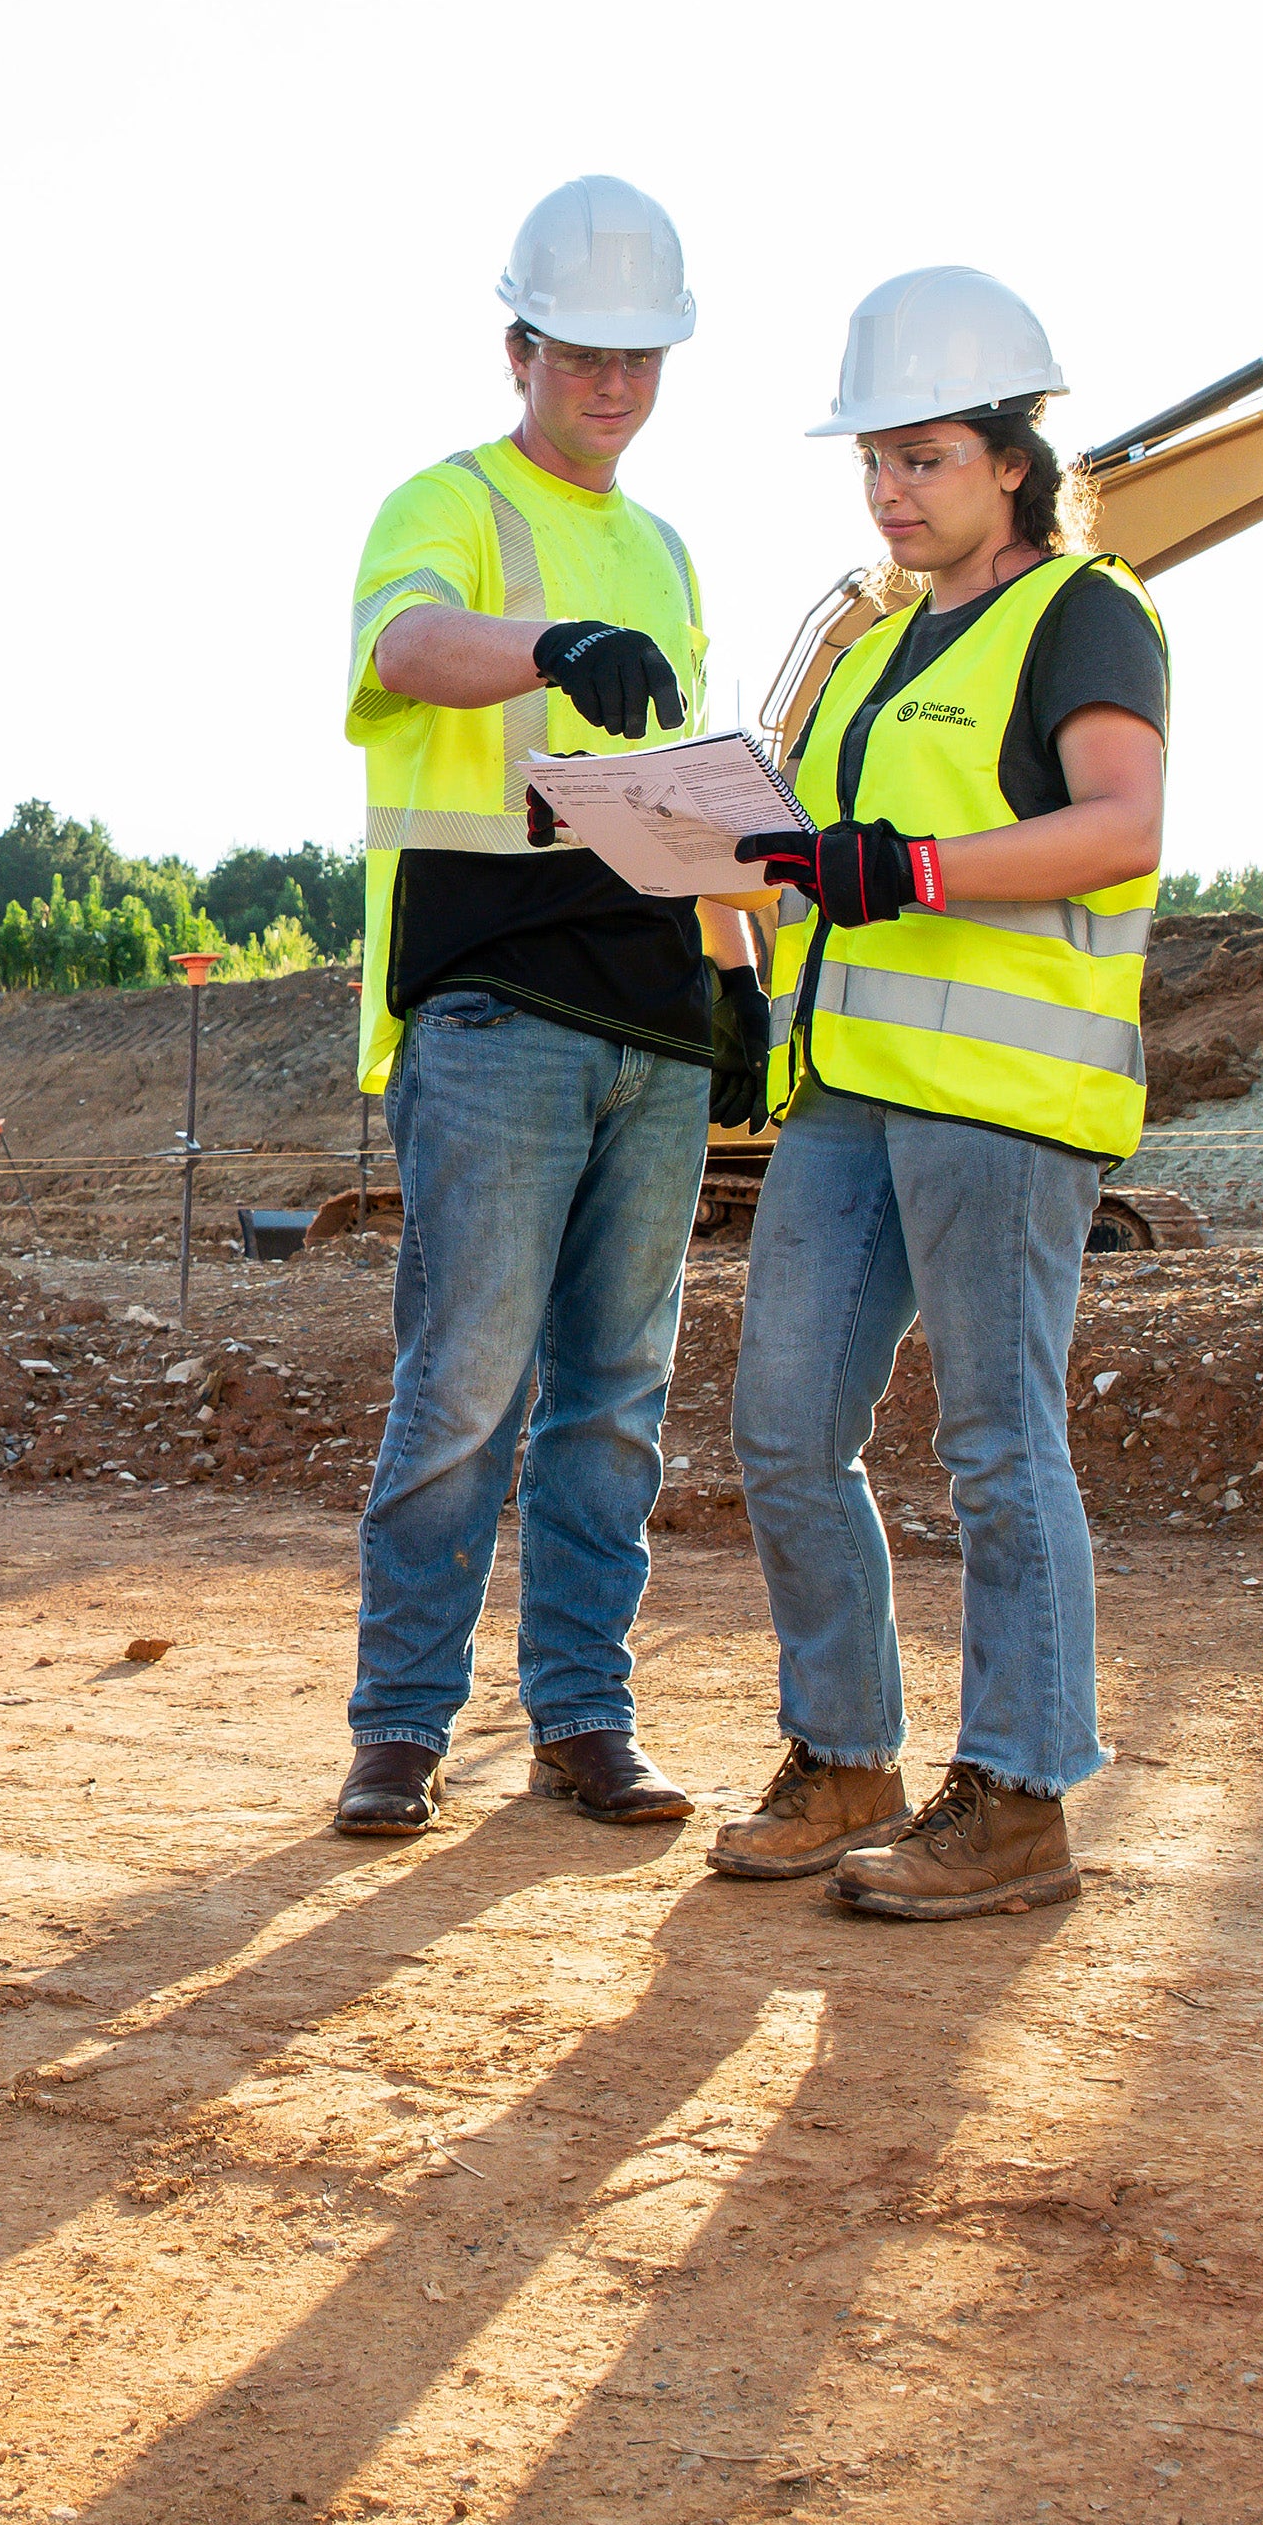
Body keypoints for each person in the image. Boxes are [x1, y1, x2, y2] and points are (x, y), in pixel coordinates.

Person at [704, 264, 1167, 1918]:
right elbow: (813, 861)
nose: (894, 494)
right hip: (843, 1092)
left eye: (925, 460)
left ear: (1011, 461)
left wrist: (902, 865)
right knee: (782, 1429)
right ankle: (844, 1761)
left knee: (993, 1443)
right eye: (875, 465)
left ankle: (1022, 1795)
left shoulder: (1083, 614)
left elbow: (1118, 827)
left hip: (998, 1094)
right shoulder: (884, 642)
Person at [329, 176, 762, 1841]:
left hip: (648, 1019)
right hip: (492, 1007)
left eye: (640, 358)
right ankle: (399, 1730)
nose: (613, 385)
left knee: (610, 1401)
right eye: (582, 354)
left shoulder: (663, 548)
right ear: (517, 347)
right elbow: (409, 650)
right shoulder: (446, 503)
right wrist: (549, 644)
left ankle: (583, 1715)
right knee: (462, 1390)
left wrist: (742, 980)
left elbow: (690, 792)